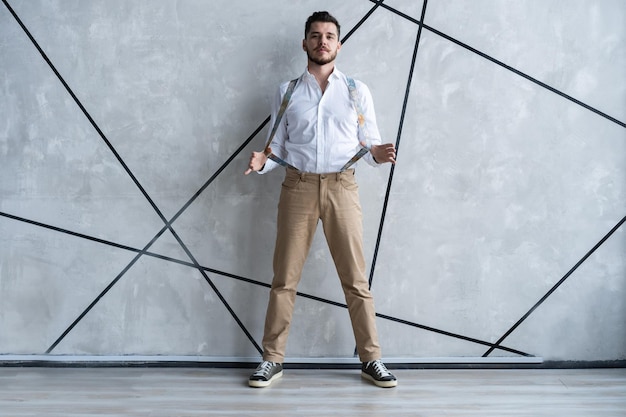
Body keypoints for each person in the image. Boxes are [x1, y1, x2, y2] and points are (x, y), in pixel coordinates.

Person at [244, 11, 397, 388]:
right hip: (297, 188)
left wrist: (378, 154)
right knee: (284, 279)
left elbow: (369, 143)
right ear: (305, 43)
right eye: (315, 35)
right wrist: (263, 162)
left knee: (356, 280)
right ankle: (272, 359)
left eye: (329, 36)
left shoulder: (357, 90)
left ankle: (372, 359)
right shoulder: (287, 91)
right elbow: (277, 146)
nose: (322, 41)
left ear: (339, 45)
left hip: (343, 186)